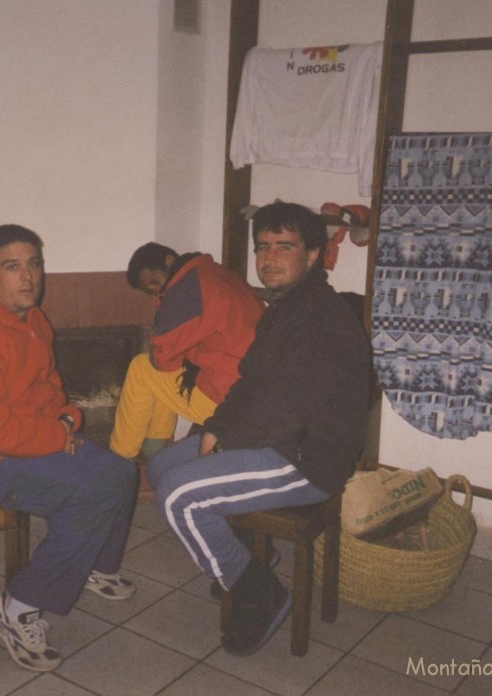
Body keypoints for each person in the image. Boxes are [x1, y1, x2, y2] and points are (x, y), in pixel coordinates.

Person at [147, 202, 372, 657]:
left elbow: (285, 411)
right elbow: (250, 385)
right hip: (278, 439)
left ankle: (256, 591)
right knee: (162, 466)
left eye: (284, 247)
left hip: (307, 457)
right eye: (263, 247)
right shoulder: (283, 308)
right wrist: (214, 428)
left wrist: (222, 441)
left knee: (177, 494)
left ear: (312, 255)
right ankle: (250, 549)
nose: (269, 257)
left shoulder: (319, 318)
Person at [0, 224, 138, 673]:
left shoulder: (32, 320)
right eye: (12, 267)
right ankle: (16, 607)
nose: (28, 277)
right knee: (97, 487)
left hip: (26, 437)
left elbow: (48, 388)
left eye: (34, 265)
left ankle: (94, 562)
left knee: (121, 470)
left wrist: (67, 417)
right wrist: (59, 435)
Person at [109, 243, 265, 461]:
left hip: (230, 404)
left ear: (169, 261)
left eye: (154, 281)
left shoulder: (186, 289)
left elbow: (163, 359)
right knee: (165, 368)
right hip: (257, 394)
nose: (156, 290)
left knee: (142, 367)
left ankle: (120, 457)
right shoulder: (214, 273)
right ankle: (155, 446)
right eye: (149, 290)